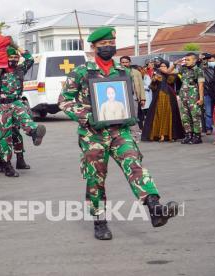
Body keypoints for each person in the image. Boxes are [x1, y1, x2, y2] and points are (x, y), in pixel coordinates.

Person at [58, 26, 178, 240]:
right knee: (96, 177)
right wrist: (87, 115)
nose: (107, 47)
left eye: (110, 44)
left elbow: (125, 98)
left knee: (134, 164)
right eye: (103, 45)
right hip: (92, 133)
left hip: (119, 131)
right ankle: (99, 221)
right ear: (93, 47)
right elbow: (64, 101)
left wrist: (130, 113)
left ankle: (155, 208)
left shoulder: (123, 72)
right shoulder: (82, 71)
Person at [0, 42, 46, 177]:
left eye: (16, 57)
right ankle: (6, 165)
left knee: (24, 121)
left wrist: (15, 45)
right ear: (5, 58)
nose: (14, 60)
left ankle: (34, 132)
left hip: (16, 102)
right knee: (5, 137)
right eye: (11, 57)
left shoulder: (20, 69)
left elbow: (30, 59)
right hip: (1, 106)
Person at [166, 53, 205, 144]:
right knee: (185, 117)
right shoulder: (183, 69)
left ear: (194, 60)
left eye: (188, 60)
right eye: (185, 59)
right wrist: (175, 63)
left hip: (194, 96)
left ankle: (197, 136)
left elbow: (201, 85)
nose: (186, 61)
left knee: (195, 116)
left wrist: (201, 98)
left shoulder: (198, 70)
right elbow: (168, 72)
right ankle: (188, 135)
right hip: (183, 96)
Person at [141, 60, 184, 142]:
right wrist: (154, 80)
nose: (162, 68)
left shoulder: (172, 74)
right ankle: (160, 135)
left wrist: (169, 72)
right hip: (158, 97)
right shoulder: (156, 74)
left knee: (169, 115)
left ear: (167, 67)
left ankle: (169, 135)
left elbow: (171, 81)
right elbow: (152, 87)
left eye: (164, 66)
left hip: (169, 97)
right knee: (158, 115)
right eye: (161, 66)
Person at [120, 56, 146, 128]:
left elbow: (141, 85)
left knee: (134, 116)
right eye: (123, 62)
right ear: (120, 63)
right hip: (122, 98)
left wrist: (142, 98)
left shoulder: (136, 72)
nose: (124, 64)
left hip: (134, 97)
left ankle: (135, 133)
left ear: (130, 62)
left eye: (126, 62)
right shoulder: (117, 72)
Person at [201, 54, 215, 135]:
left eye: (212, 61)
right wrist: (202, 58)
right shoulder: (204, 68)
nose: (211, 62)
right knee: (208, 112)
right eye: (209, 61)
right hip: (207, 93)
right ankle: (208, 128)